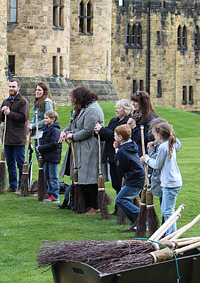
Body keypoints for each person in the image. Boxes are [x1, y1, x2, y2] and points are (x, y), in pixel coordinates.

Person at [59, 86, 104, 215]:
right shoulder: (84, 108)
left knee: (90, 178)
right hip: (82, 148)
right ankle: (86, 204)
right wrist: (65, 131)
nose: (72, 100)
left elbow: (88, 130)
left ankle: (95, 206)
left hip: (90, 148)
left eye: (74, 97)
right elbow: (74, 124)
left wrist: (73, 136)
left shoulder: (93, 109)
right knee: (83, 177)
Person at [141, 121, 183, 237]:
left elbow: (157, 164)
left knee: (168, 211)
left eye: (154, 136)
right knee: (166, 210)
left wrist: (147, 159)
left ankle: (171, 235)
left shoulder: (164, 147)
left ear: (159, 136)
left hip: (170, 183)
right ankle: (169, 234)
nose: (154, 138)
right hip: (171, 181)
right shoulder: (170, 143)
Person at [94, 99, 133, 214]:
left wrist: (103, 130)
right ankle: (119, 208)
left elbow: (116, 136)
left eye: (119, 108)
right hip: (112, 157)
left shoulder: (127, 122)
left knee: (122, 183)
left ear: (125, 110)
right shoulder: (113, 121)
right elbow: (107, 135)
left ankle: (123, 208)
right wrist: (97, 132)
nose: (116, 110)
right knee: (115, 183)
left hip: (122, 157)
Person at [0, 78, 30, 195]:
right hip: (7, 137)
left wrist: (9, 113)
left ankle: (22, 186)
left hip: (18, 138)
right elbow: (0, 118)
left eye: (13, 87)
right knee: (10, 162)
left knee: (20, 162)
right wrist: (2, 112)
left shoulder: (23, 102)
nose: (11, 89)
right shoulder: (6, 101)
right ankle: (12, 185)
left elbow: (23, 117)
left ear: (18, 88)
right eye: (10, 87)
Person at [113, 124, 145, 223]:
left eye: (115, 135)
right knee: (128, 200)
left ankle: (143, 217)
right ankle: (136, 223)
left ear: (120, 137)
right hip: (139, 178)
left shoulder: (122, 151)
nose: (114, 137)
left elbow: (121, 167)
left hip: (134, 180)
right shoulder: (132, 145)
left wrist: (116, 152)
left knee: (120, 199)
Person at [36, 110, 62, 203]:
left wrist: (41, 148)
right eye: (44, 118)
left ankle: (55, 196)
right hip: (47, 157)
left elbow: (54, 144)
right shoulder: (46, 129)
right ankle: (50, 193)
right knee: (47, 176)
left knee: (53, 176)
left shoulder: (55, 130)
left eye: (46, 118)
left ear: (53, 119)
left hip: (53, 157)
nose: (44, 120)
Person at [128, 91, 158, 157]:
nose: (133, 104)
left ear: (143, 103)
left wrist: (134, 127)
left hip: (144, 154)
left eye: (136, 101)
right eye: (133, 101)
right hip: (135, 153)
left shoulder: (150, 119)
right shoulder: (136, 117)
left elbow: (147, 139)